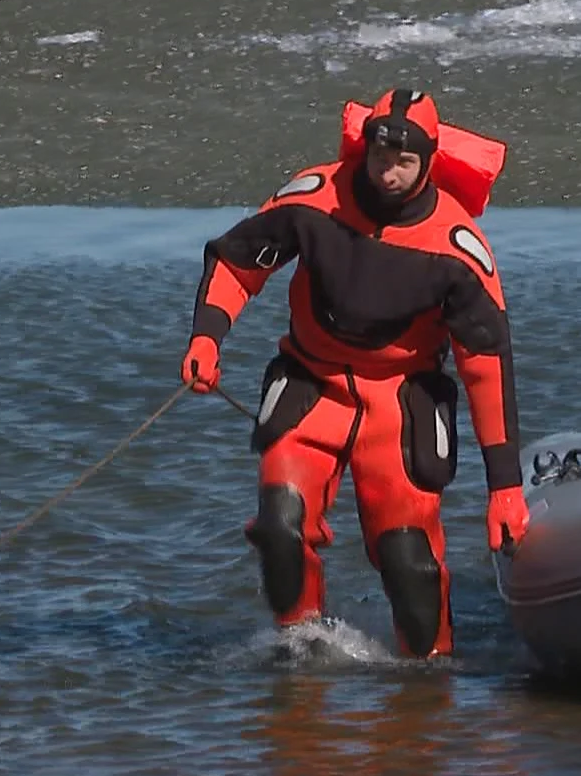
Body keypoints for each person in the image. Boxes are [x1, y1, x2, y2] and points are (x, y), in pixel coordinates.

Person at [178, 87, 530, 658]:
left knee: (407, 559)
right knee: (279, 526)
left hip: (400, 401)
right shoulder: (317, 198)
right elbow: (238, 262)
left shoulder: (457, 248)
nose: (388, 172)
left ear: (429, 162)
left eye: (405, 161)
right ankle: (300, 645)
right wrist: (206, 338)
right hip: (310, 384)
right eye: (379, 157)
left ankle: (427, 683)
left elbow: (486, 368)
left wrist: (505, 488)